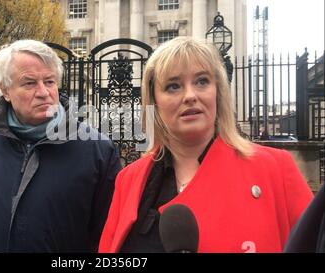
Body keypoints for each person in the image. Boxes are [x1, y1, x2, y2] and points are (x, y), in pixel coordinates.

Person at [98, 36, 313, 253]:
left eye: (202, 81)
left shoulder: (275, 168)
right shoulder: (128, 181)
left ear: (217, 92)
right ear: (154, 102)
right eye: (173, 86)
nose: (190, 95)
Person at [0, 39, 121, 252]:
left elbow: (108, 238)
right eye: (29, 83)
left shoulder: (97, 149)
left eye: (49, 82)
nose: (43, 92)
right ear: (5, 90)